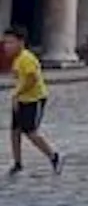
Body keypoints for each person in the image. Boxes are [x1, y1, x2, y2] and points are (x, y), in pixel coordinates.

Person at [4, 24, 61, 178]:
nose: (6, 47)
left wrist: (17, 93)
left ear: (20, 42)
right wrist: (17, 96)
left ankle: (53, 155)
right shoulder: (17, 59)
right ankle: (18, 162)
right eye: (5, 43)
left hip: (34, 99)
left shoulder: (27, 58)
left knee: (30, 131)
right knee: (15, 131)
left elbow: (32, 79)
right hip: (21, 98)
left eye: (10, 42)